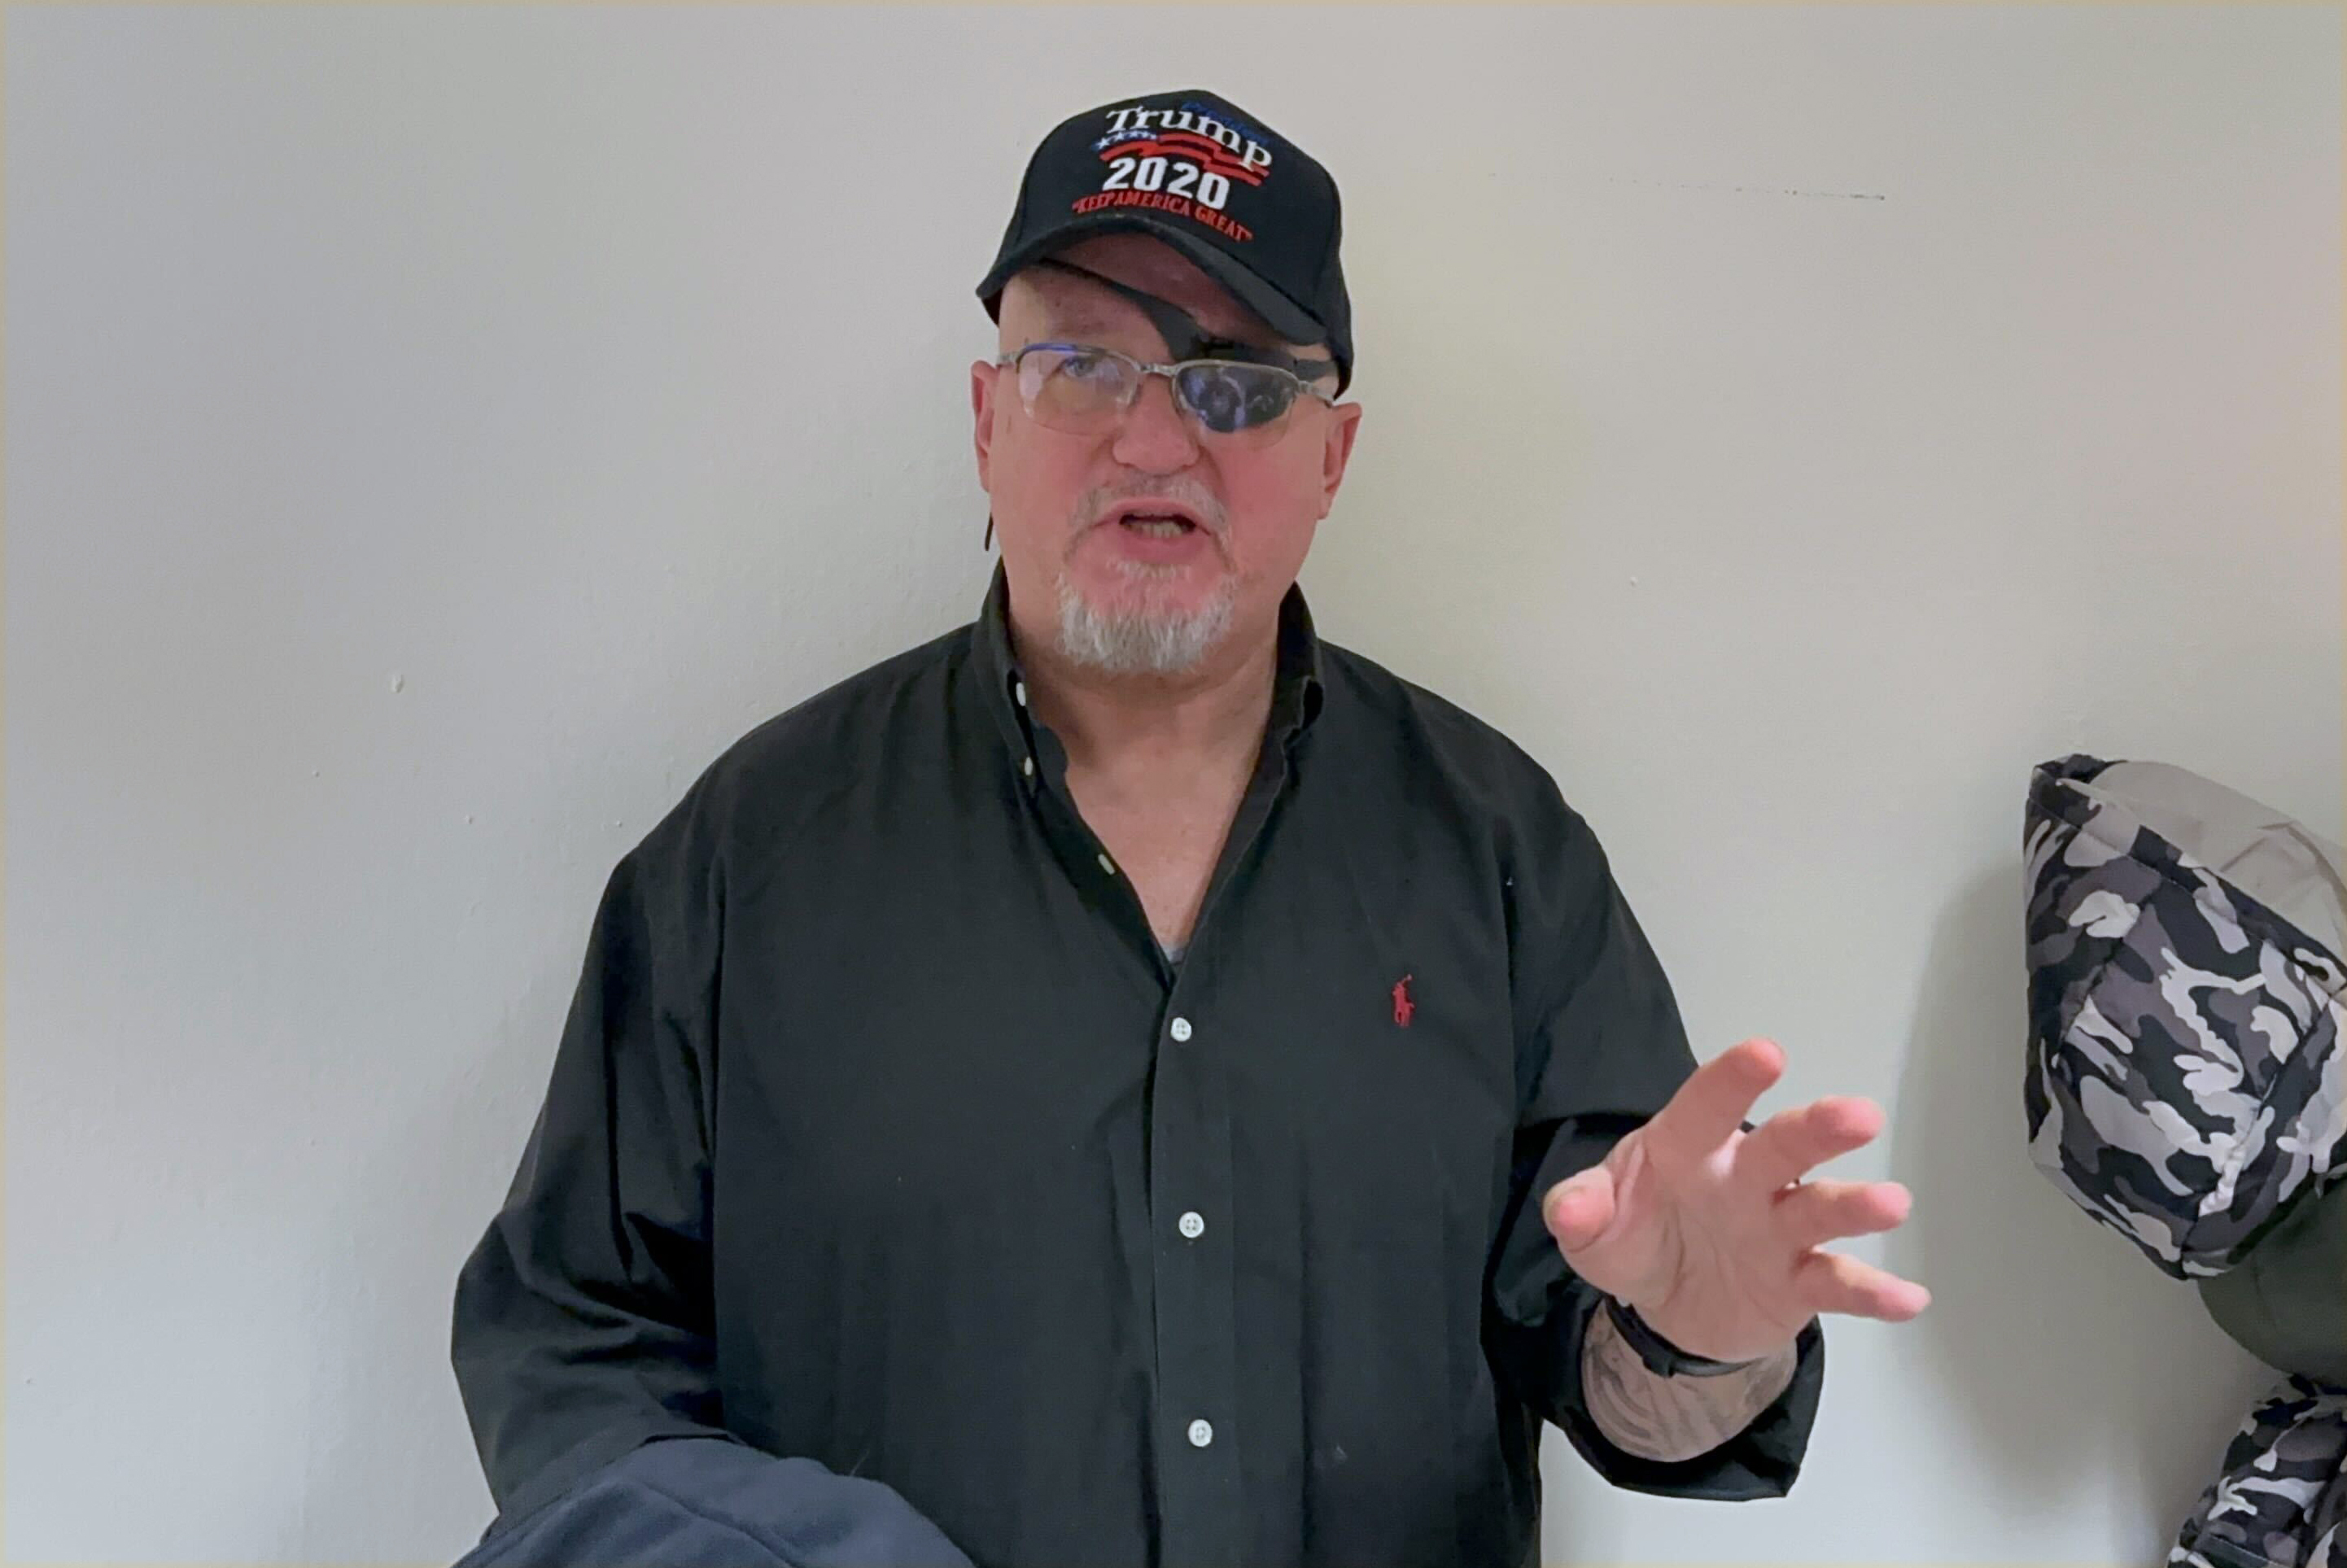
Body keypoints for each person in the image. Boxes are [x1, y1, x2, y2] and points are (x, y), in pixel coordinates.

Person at [449, 87, 1929, 1568]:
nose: (1156, 440)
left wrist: (1702, 1344)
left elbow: (1631, 1380)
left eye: (1235, 383)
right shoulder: (747, 862)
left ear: (1333, 459)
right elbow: (574, 1353)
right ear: (985, 419)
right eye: (1083, 365)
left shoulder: (1498, 855)